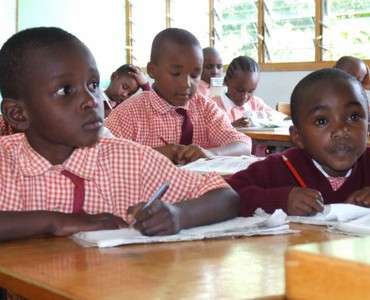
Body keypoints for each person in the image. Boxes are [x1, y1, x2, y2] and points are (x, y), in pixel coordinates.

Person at [0, 26, 241, 242]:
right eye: (65, 90)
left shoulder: (128, 159)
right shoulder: (4, 160)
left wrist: (177, 215)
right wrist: (56, 222)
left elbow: (226, 198)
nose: (90, 101)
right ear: (18, 114)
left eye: (93, 85)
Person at [226, 68, 370, 217]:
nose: (341, 131)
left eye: (353, 117)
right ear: (298, 137)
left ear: (368, 127)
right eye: (321, 121)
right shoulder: (281, 167)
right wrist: (281, 199)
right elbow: (227, 194)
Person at [105, 28, 251, 165]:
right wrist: (153, 155)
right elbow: (101, 155)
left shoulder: (205, 107)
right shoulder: (128, 113)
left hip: (200, 188)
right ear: (152, 70)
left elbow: (242, 144)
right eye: (176, 74)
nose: (186, 84)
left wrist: (210, 153)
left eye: (194, 75)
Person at [212, 55, 287, 128]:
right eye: (240, 90)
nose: (245, 96)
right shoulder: (213, 106)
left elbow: (278, 117)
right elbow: (209, 135)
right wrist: (232, 126)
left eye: (251, 91)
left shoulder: (255, 103)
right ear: (226, 81)